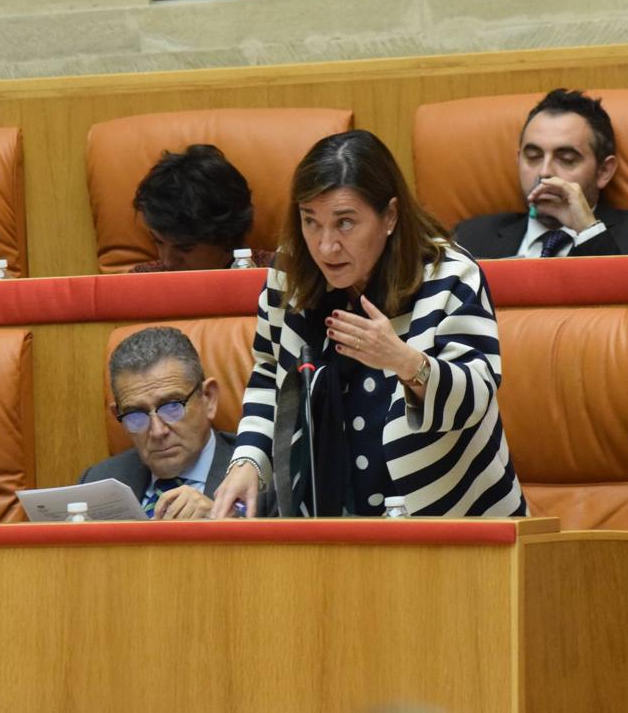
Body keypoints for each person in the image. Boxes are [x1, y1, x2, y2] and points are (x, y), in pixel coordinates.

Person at [210, 130, 526, 518]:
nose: (326, 246)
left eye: (345, 223)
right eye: (311, 222)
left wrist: (406, 363)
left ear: (390, 216)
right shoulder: (290, 275)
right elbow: (271, 372)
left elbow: (476, 398)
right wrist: (249, 460)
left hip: (455, 525)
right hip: (332, 523)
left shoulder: (450, 275)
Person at [454, 90, 628, 258]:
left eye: (566, 159)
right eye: (533, 157)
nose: (544, 172)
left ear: (604, 171)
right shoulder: (469, 240)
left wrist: (587, 231)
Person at [78, 327, 236, 520]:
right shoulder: (98, 483)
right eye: (136, 415)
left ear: (208, 398)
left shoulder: (264, 477)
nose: (157, 431)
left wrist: (223, 523)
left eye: (172, 406)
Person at [130, 144, 274, 273]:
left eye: (184, 247)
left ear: (226, 238)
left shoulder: (281, 276)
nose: (168, 261)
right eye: (158, 241)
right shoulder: (139, 281)